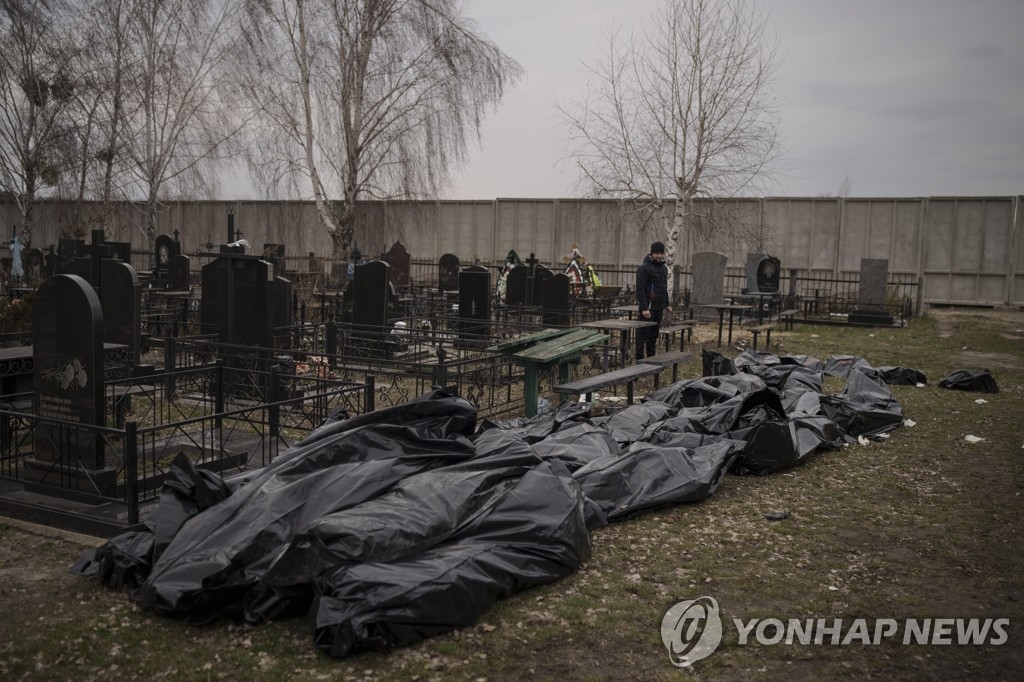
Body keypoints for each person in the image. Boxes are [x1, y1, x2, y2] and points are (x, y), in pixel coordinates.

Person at [635, 240, 671, 360]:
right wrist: (644, 308)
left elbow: (663, 287)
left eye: (662, 253)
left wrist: (667, 303)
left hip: (658, 307)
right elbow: (640, 290)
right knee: (643, 334)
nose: (659, 256)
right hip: (648, 308)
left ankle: (651, 358)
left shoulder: (663, 268)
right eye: (657, 253)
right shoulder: (644, 268)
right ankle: (639, 359)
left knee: (653, 335)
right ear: (652, 253)